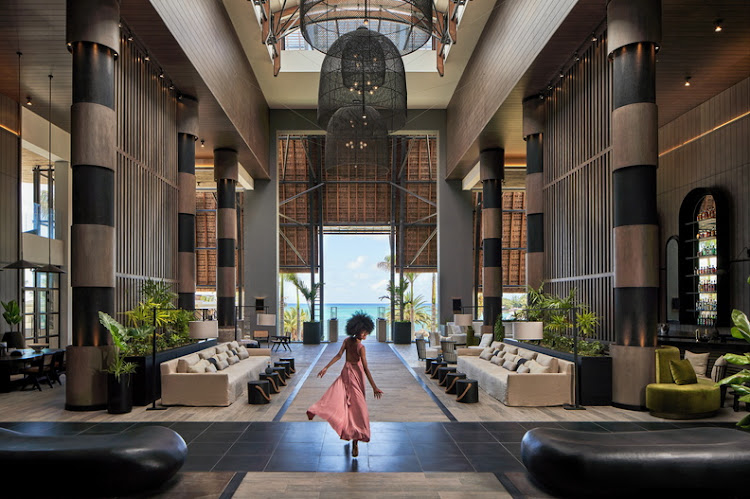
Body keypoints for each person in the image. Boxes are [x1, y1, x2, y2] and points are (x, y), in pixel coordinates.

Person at [306, 311, 383, 457]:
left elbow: (339, 355)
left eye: (367, 332)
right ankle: (354, 441)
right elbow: (365, 368)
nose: (366, 335)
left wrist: (326, 367)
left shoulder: (348, 341)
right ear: (357, 330)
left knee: (347, 404)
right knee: (358, 408)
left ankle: (349, 434)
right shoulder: (361, 348)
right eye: (364, 332)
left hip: (347, 371)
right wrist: (374, 387)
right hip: (355, 374)